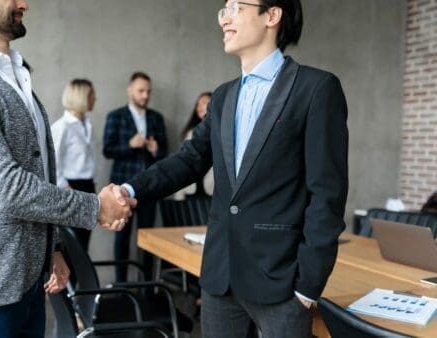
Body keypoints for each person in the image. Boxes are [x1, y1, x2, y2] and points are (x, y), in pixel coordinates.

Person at [113, 0, 349, 337]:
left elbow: (327, 193)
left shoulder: (316, 89)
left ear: (272, 14)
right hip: (220, 277)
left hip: (282, 282)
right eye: (224, 10)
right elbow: (190, 159)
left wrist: (308, 287)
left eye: (237, 7)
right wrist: (129, 190)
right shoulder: (223, 97)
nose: (225, 18)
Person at [0, 1, 134, 337]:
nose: (24, 2)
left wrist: (52, 248)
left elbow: (37, 173)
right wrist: (96, 208)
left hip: (26, 285)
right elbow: (8, 188)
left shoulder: (15, 77)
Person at [103, 72, 168, 282]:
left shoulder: (156, 118)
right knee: (121, 237)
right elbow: (108, 150)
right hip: (122, 187)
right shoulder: (116, 116)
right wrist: (130, 145)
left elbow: (166, 154)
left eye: (148, 91)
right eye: (141, 91)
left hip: (149, 188)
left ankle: (147, 284)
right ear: (130, 90)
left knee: (147, 237)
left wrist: (156, 149)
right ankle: (121, 284)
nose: (145, 95)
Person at [51, 79, 97, 251]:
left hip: (87, 186)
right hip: (71, 187)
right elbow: (51, 161)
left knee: (83, 243)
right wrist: (65, 187)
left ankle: (78, 279)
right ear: (81, 96)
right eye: (92, 94)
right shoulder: (62, 127)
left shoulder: (88, 124)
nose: (95, 98)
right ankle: (69, 279)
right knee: (71, 244)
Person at [174, 92, 214, 200]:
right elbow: (183, 163)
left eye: (204, 102)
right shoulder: (191, 133)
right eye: (198, 104)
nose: (200, 107)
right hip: (191, 188)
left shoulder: (221, 131)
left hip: (212, 189)